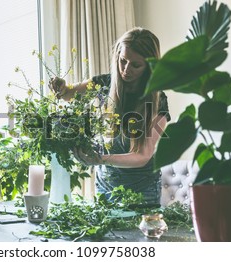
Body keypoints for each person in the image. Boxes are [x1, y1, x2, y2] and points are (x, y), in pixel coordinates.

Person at [49, 27, 171, 205]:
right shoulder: (103, 84)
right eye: (123, 61)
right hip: (104, 187)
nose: (126, 69)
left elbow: (142, 156)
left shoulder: (158, 100)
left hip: (142, 191)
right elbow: (68, 94)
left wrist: (99, 159)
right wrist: (60, 87)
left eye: (136, 65)